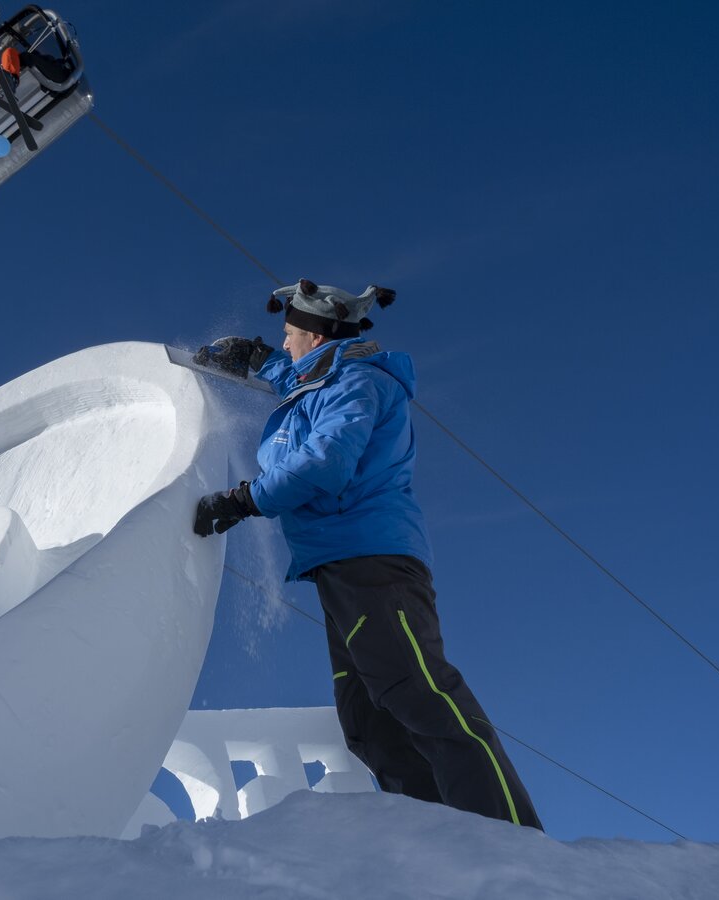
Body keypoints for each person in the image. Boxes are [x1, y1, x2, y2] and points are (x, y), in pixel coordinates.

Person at [193, 279, 543, 831]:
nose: (283, 343)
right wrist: (260, 360)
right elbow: (304, 380)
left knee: (419, 692)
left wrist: (244, 499)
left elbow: (325, 461)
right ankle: (440, 842)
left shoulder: (358, 382)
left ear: (314, 335)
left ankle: (511, 837)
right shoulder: (329, 377)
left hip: (372, 561)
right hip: (339, 565)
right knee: (368, 722)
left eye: (287, 334)